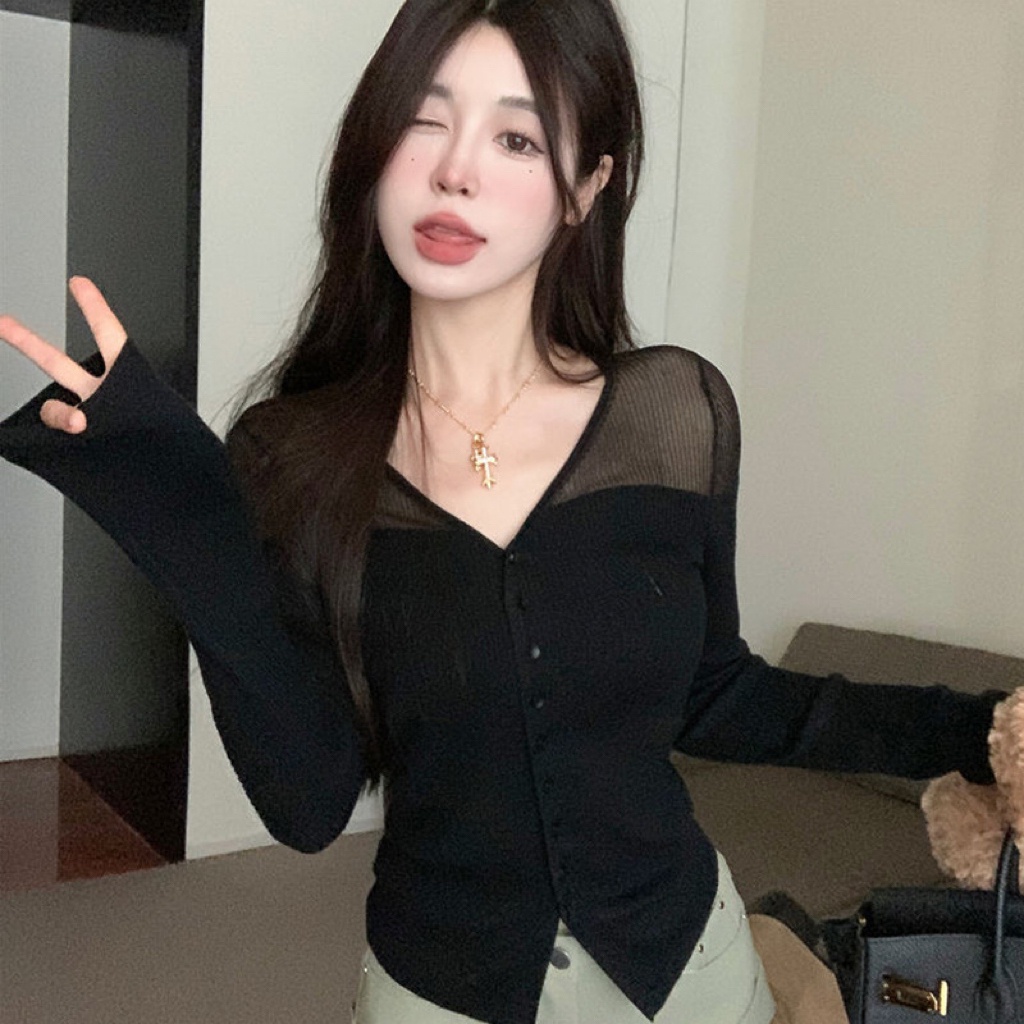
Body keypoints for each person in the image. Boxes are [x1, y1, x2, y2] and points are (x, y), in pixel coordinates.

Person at [0, 1, 1003, 1022]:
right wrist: (183, 513)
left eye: (516, 138)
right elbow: (307, 803)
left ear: (587, 188)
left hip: (689, 974)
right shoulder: (292, 456)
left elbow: (716, 690)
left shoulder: (672, 414)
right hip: (441, 989)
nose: (455, 171)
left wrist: (984, 726)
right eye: (424, 121)